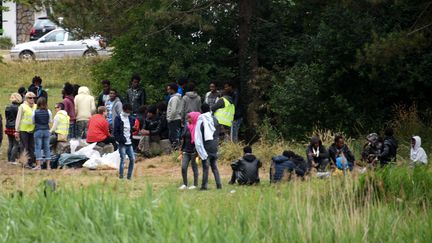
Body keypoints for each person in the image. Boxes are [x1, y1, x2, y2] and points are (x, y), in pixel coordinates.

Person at [195, 103, 222, 190]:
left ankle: (204, 186)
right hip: (215, 144)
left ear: (201, 110)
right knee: (214, 166)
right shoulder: (214, 119)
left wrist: (199, 149)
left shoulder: (201, 120)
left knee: (205, 167)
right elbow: (218, 132)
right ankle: (219, 185)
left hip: (206, 145)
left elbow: (199, 136)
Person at [179, 112, 201, 190]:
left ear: (194, 118)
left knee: (194, 168)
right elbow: (183, 139)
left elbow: (199, 142)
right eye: (188, 118)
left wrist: (198, 153)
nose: (188, 119)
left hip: (194, 152)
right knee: (183, 167)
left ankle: (195, 185)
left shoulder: (198, 128)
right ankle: (185, 184)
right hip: (186, 151)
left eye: (189, 118)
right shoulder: (187, 127)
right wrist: (181, 150)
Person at [15, 92, 37, 168]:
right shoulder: (22, 106)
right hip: (23, 130)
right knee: (24, 147)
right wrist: (16, 130)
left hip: (33, 130)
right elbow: (18, 118)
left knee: (32, 147)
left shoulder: (36, 106)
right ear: (26, 99)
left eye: (34, 98)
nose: (32, 99)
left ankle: (31, 162)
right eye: (30, 98)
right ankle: (25, 163)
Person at [114, 104, 136, 180]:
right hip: (122, 143)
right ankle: (121, 176)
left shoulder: (130, 118)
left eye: (129, 112)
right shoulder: (118, 118)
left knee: (132, 159)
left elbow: (130, 129)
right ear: (124, 109)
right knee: (123, 160)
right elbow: (115, 132)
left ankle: (129, 177)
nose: (128, 113)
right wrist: (120, 140)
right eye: (127, 111)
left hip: (129, 143)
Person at [32, 97, 52, 170]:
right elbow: (50, 121)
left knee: (38, 148)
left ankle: (38, 165)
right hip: (46, 130)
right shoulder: (48, 111)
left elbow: (33, 121)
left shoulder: (35, 111)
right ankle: (48, 166)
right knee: (47, 148)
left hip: (38, 130)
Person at [5, 93, 22, 163]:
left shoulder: (7, 107)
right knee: (16, 144)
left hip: (8, 126)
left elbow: (7, 118)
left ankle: (9, 159)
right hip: (15, 127)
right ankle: (12, 160)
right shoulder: (18, 108)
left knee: (10, 143)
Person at [166, 83, 183, 149]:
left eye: (169, 89)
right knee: (175, 135)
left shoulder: (174, 99)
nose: (167, 91)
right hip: (175, 118)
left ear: (172, 90)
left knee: (173, 136)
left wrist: (169, 118)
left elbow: (173, 110)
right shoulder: (175, 98)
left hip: (174, 119)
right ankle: (176, 147)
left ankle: (175, 148)